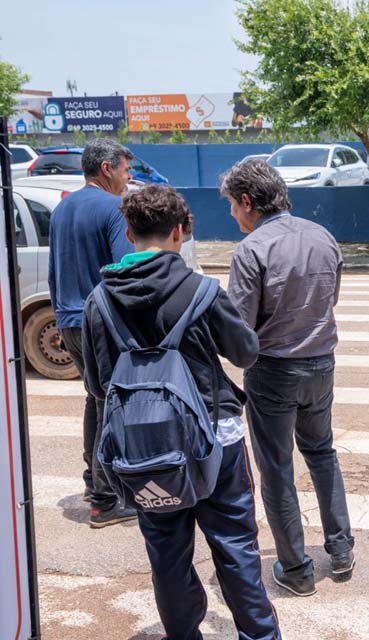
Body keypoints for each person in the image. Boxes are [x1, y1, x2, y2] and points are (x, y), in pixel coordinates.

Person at [81, 184, 281, 640]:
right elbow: (245, 353)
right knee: (235, 549)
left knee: (167, 557)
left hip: (143, 453)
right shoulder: (201, 290)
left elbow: (97, 386)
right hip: (214, 440)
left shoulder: (99, 300)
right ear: (178, 233)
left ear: (129, 235)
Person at [223, 159, 355, 597]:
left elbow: (239, 326)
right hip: (321, 364)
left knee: (277, 468)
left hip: (274, 371)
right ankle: (340, 550)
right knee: (322, 453)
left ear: (247, 201)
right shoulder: (322, 236)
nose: (231, 215)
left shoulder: (251, 250)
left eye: (232, 206)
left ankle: (296, 568)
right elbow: (330, 299)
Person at [49, 138, 137, 528]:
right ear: (106, 169)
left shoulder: (63, 207)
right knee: (109, 403)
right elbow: (124, 269)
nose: (128, 178)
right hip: (100, 321)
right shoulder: (113, 208)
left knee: (96, 398)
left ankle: (93, 481)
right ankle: (104, 498)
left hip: (68, 320)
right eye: (125, 170)